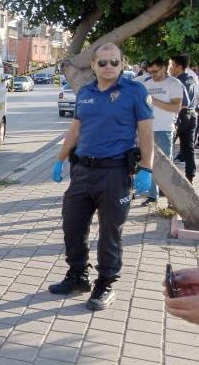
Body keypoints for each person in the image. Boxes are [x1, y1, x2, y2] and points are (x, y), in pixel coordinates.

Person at [50, 43, 154, 311]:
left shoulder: (135, 92)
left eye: (114, 62)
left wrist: (147, 168)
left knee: (110, 232)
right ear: (93, 65)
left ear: (123, 64)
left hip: (115, 172)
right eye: (103, 62)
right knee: (72, 226)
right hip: (82, 172)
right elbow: (75, 129)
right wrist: (60, 159)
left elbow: (146, 133)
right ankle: (77, 276)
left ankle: (105, 284)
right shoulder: (85, 92)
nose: (108, 67)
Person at [141, 59, 183, 204]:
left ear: (165, 67)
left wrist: (153, 100)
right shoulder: (146, 84)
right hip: (146, 129)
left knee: (166, 166)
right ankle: (153, 196)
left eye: (155, 71)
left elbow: (176, 107)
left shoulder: (174, 84)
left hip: (164, 129)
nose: (152, 74)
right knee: (149, 163)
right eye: (150, 71)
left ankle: (173, 199)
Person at [169, 54, 197, 182]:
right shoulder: (192, 79)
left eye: (172, 66)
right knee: (188, 149)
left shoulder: (177, 81)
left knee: (167, 149)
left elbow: (180, 103)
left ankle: (167, 183)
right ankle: (190, 177)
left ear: (179, 66)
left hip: (180, 115)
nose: (170, 69)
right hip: (192, 115)